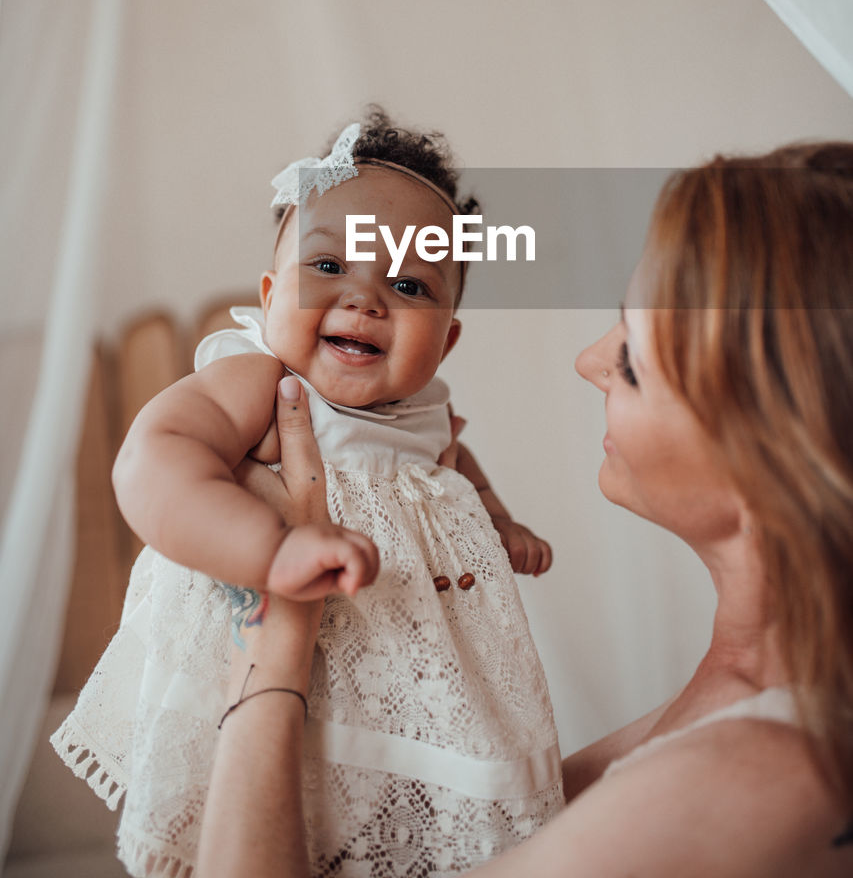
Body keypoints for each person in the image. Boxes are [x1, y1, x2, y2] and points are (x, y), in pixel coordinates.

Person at [197, 141, 853, 877]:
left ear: (776, 442)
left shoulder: (756, 777)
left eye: (633, 358)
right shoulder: (747, 689)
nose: (589, 362)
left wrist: (274, 641)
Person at [51, 109, 562, 878]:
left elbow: (457, 472)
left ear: (449, 334)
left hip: (403, 686)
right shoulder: (258, 380)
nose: (363, 302)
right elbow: (153, 461)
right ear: (268, 291)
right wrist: (271, 547)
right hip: (252, 670)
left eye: (408, 284)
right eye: (328, 268)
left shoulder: (425, 416)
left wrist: (498, 520)